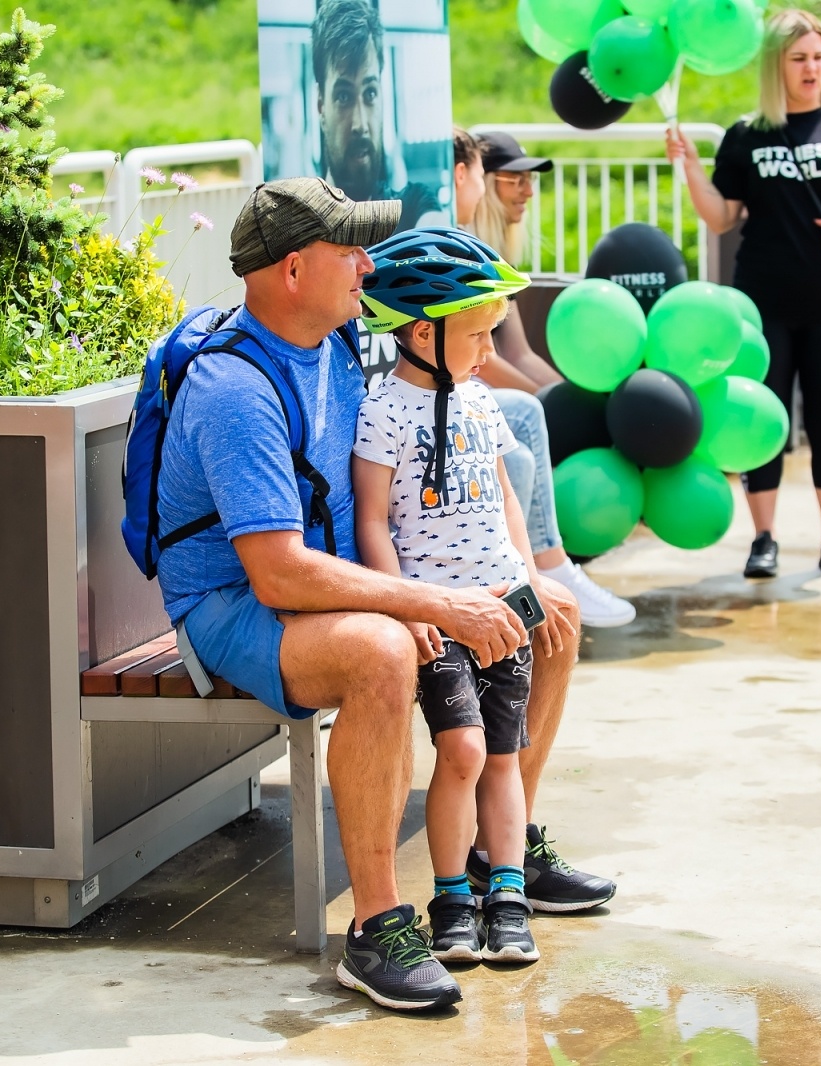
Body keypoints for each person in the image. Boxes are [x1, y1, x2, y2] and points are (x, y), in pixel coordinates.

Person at [155, 177, 613, 1012]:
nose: (368, 263)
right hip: (232, 608)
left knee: (554, 611)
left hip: (326, 584)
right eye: (349, 250)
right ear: (293, 271)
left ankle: (495, 854)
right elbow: (278, 574)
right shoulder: (236, 392)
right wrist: (433, 604)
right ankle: (376, 928)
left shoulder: (327, 344)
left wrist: (502, 574)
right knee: (380, 651)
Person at [353, 227, 547, 968]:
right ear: (424, 331)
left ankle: (507, 898)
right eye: (476, 335)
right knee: (460, 750)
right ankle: (451, 899)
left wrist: (530, 578)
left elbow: (503, 494)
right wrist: (407, 606)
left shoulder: (478, 399)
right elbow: (373, 520)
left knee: (503, 752)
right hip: (438, 616)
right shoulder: (383, 411)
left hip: (505, 605)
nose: (489, 352)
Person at [666, 9, 821, 580]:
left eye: (818, 57)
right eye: (798, 59)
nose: (811, 68)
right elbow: (721, 217)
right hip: (762, 308)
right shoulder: (748, 136)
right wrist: (692, 168)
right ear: (777, 65)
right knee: (760, 422)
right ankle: (764, 539)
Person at [457, 127, 636, 627]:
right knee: (536, 419)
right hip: (464, 393)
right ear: (479, 180)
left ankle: (558, 569)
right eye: (514, 180)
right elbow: (483, 359)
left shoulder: (494, 251)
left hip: (481, 391)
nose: (527, 192)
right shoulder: (465, 246)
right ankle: (555, 569)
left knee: (553, 410)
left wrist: (572, 395)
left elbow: (518, 351)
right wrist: (549, 399)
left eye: (529, 181)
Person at [311, 0, 439, 230]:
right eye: (343, 97)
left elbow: (436, 231)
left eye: (370, 93)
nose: (360, 124)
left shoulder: (413, 207)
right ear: (321, 104)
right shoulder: (302, 227)